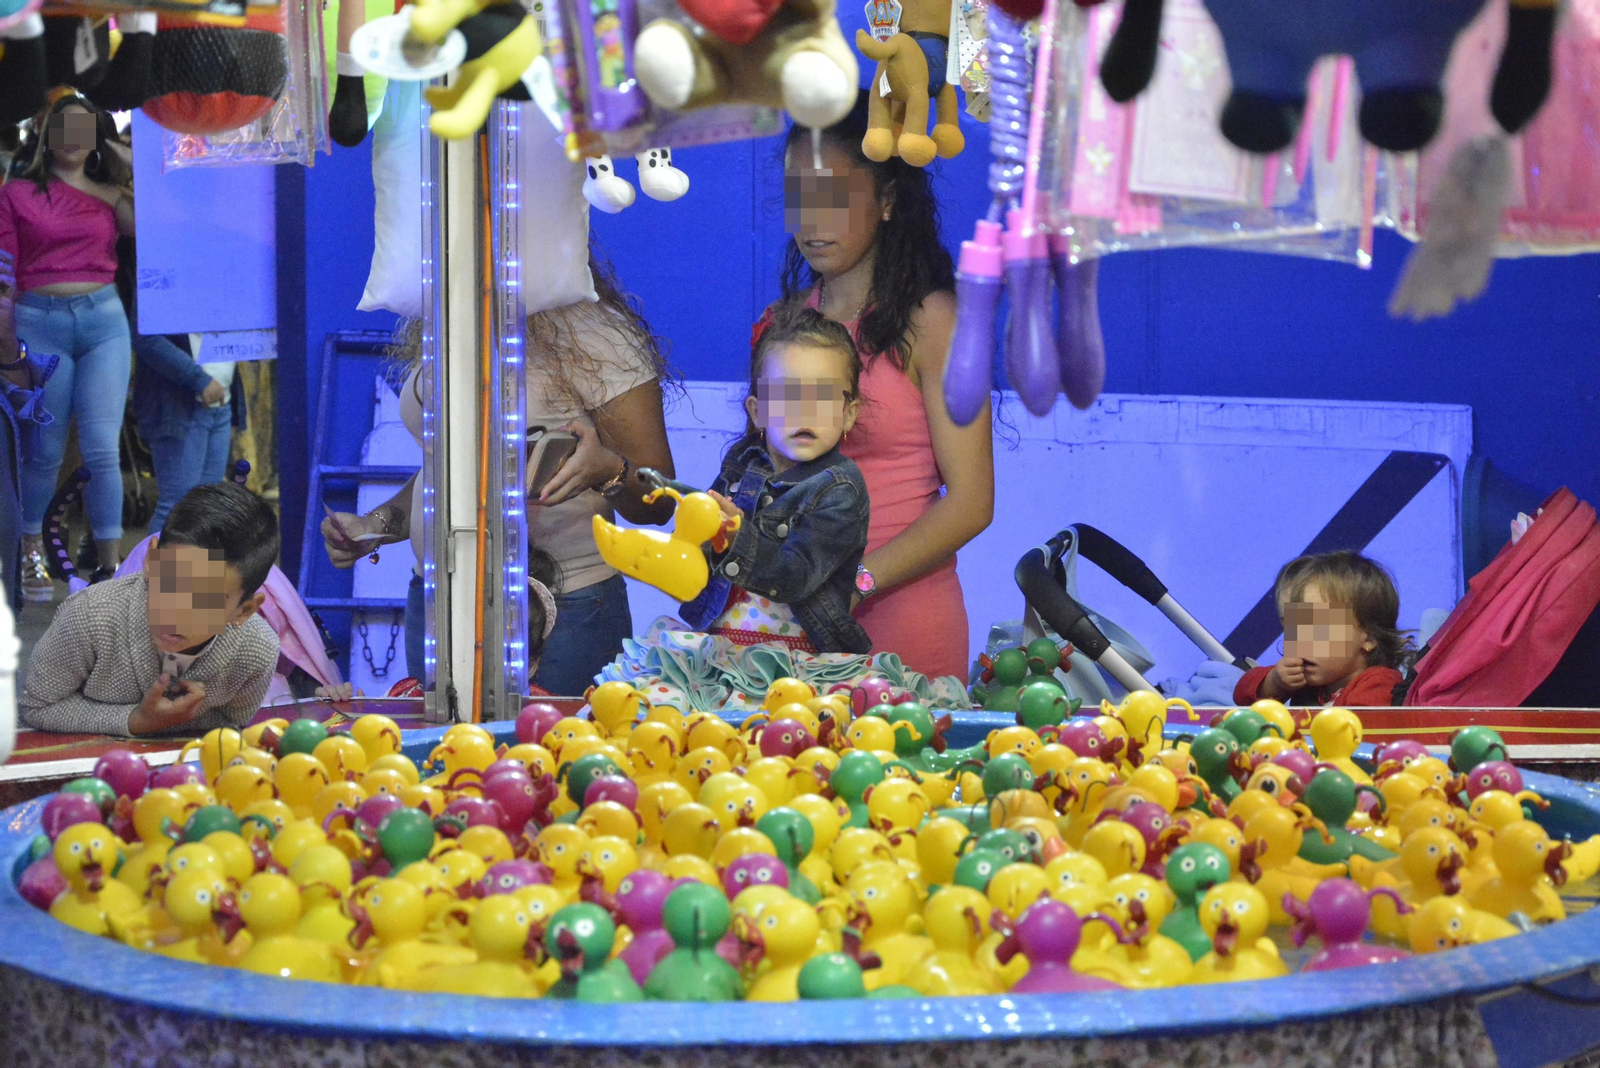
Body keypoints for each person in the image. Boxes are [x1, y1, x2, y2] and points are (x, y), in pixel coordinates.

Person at [322, 250, 676, 695]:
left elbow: (660, 501)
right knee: (446, 758)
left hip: (563, 612)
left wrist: (609, 472)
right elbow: (446, 464)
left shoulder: (598, 336)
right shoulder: (448, 319)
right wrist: (376, 524)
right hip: (436, 600)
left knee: (558, 759)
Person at [767, 92, 994, 682]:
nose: (812, 222)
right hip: (790, 630)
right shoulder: (780, 324)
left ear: (888, 199)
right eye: (798, 196)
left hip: (903, 624)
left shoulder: (935, 321)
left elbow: (972, 503)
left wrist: (853, 582)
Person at [0, 91, 136, 597]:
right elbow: (5, 275)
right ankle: (30, 554)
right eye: (65, 128)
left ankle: (111, 568)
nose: (73, 139)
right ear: (45, 135)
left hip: (103, 322)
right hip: (38, 323)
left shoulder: (110, 196)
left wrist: (115, 152)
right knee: (43, 452)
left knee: (101, 450)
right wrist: (6, 343)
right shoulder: (15, 194)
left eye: (85, 130)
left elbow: (148, 223)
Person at [678, 304, 870, 654]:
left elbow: (794, 576)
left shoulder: (840, 487)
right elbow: (705, 559)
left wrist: (735, 535)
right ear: (757, 411)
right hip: (722, 643)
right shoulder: (742, 461)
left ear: (848, 414)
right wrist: (695, 540)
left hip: (801, 656)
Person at [20, 480, 281, 736]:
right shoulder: (90, 614)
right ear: (150, 559)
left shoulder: (256, 650)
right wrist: (137, 721)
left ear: (244, 611)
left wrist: (160, 722)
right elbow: (37, 706)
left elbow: (233, 722)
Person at [1233, 551, 1411, 708]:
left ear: (1370, 638)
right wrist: (1275, 682)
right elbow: (1241, 696)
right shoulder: (1308, 677)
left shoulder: (1378, 684)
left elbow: (1355, 736)